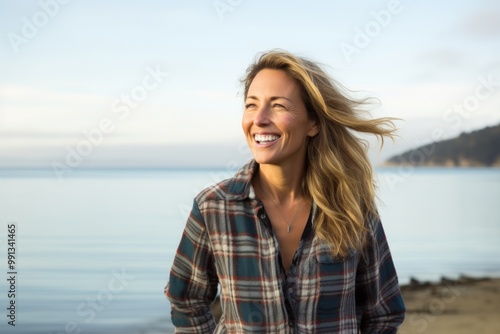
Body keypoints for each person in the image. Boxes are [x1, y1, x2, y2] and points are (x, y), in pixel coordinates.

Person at [165, 50, 405, 333]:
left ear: (313, 123)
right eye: (251, 105)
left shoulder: (352, 208)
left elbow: (383, 312)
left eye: (278, 106)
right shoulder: (214, 207)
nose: (260, 119)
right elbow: (186, 300)